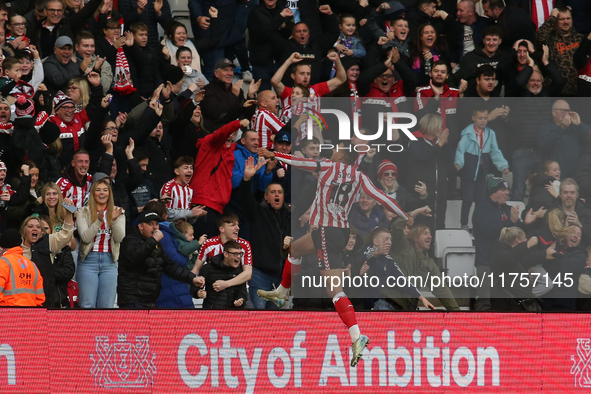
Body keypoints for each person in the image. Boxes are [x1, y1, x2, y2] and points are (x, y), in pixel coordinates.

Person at [256, 143, 427, 367]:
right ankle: (281, 292)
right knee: (295, 249)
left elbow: (301, 162)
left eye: (336, 150)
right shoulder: (360, 177)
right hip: (341, 231)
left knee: (334, 290)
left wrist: (276, 155)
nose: (331, 152)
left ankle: (357, 337)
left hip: (327, 231)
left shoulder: (327, 166)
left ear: (340, 156)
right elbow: (383, 198)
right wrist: (405, 215)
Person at [472, 174, 538, 310]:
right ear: (492, 192)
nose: (507, 193)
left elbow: (516, 235)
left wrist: (525, 225)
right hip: (486, 264)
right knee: (485, 302)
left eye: (507, 190)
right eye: (503, 190)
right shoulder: (481, 208)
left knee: (509, 302)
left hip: (508, 264)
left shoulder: (509, 209)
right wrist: (510, 222)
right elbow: (489, 231)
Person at [117, 211, 201, 308]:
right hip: (132, 300)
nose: (155, 227)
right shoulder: (130, 240)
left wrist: (192, 278)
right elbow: (136, 257)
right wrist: (153, 240)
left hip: (151, 300)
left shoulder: (155, 244)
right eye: (150, 224)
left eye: (156, 224)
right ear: (140, 226)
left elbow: (170, 266)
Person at [240, 157, 290, 309]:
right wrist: (247, 179)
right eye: (273, 192)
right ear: (266, 197)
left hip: (280, 276)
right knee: (259, 314)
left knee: (275, 320)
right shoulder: (258, 213)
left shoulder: (289, 216)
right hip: (260, 273)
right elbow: (245, 199)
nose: (277, 195)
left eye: (279, 192)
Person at [389, 209, 460, 310]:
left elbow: (441, 289)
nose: (430, 236)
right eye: (425, 233)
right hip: (391, 303)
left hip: (409, 306)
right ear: (415, 237)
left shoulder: (429, 263)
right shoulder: (402, 247)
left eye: (430, 234)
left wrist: (456, 312)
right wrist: (414, 213)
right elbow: (396, 226)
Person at [189, 119, 249, 238]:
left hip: (217, 208)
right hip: (204, 205)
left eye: (234, 134)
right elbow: (221, 134)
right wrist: (237, 124)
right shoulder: (209, 144)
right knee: (202, 249)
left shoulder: (229, 153)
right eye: (229, 132)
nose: (230, 135)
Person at [455, 106, 509, 229]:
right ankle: (464, 223)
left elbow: (495, 152)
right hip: (468, 170)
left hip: (482, 171)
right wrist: (459, 163)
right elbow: (460, 150)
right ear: (474, 118)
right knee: (468, 198)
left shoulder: (490, 133)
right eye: (480, 118)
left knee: (480, 200)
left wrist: (503, 166)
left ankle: (478, 223)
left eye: (485, 118)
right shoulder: (468, 134)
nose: (483, 121)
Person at [76, 178, 125, 308]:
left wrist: (113, 221)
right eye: (98, 190)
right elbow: (85, 237)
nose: (101, 193)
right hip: (88, 261)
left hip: (110, 262)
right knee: (87, 305)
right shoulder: (83, 211)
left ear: (109, 193)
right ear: (93, 193)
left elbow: (120, 238)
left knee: (106, 306)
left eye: (105, 190)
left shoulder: (118, 211)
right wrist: (98, 221)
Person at [191, 212, 253, 291]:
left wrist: (226, 284)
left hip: (238, 291)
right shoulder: (208, 244)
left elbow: (248, 273)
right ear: (222, 229)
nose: (237, 228)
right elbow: (196, 269)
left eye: (237, 225)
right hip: (215, 290)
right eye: (233, 225)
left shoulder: (244, 244)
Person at [490, 227, 543, 311]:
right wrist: (526, 245)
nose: (526, 240)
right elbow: (507, 261)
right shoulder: (500, 252)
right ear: (517, 240)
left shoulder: (515, 254)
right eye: (524, 238)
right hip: (508, 304)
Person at [536, 7, 584, 96]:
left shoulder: (580, 38)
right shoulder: (549, 38)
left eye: (568, 19)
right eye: (562, 19)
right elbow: (539, 38)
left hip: (577, 91)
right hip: (555, 91)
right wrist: (552, 18)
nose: (566, 22)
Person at [538, 100, 589, 179]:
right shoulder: (547, 127)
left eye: (567, 111)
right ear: (554, 113)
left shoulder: (575, 127)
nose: (565, 114)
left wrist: (579, 124)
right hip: (556, 175)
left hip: (575, 175)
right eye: (562, 111)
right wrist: (561, 128)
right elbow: (543, 144)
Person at [190, 240, 248, 309]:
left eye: (240, 254)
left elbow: (242, 292)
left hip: (232, 314)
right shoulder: (208, 268)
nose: (239, 257)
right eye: (235, 254)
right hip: (211, 313)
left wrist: (240, 300)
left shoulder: (240, 272)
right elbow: (194, 287)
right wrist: (198, 293)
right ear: (225, 254)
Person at [0, 229, 45, 306]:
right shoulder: (32, 265)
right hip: (31, 314)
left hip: (7, 314)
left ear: (1, 246)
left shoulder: (2, 263)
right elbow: (39, 298)